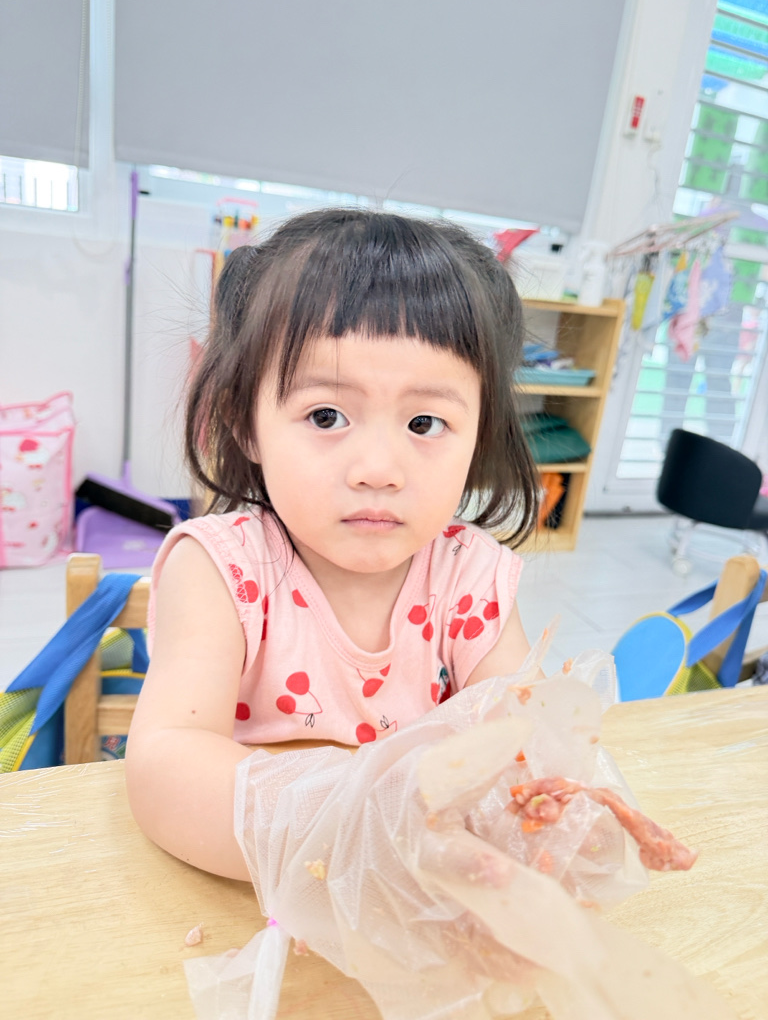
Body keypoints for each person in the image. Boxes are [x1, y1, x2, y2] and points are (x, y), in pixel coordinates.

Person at [125, 208, 540, 882]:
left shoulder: (470, 577)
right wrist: (360, 833)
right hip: (256, 899)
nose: (378, 469)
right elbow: (164, 765)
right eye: (326, 415)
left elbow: (528, 747)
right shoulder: (221, 572)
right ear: (245, 423)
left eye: (425, 423)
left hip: (418, 906)